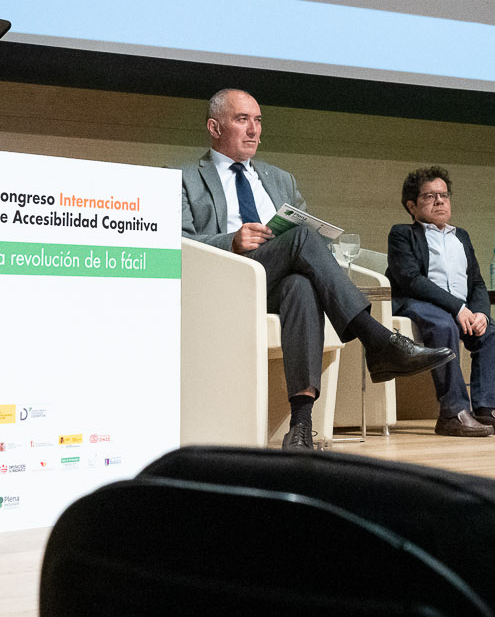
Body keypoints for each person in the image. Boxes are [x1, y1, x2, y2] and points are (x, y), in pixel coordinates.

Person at [178, 89, 448, 449]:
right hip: (226, 279)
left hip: (274, 281)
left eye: (258, 121)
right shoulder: (185, 178)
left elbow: (312, 244)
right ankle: (377, 340)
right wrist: (231, 241)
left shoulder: (280, 179)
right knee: (301, 240)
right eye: (242, 120)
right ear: (214, 127)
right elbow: (177, 243)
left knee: (300, 287)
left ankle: (301, 426)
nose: (254, 130)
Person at [385, 166, 495, 437]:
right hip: (415, 303)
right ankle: (453, 412)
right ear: (412, 206)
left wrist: (481, 312)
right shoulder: (402, 233)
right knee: (443, 325)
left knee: (492, 333)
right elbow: (411, 279)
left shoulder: (461, 236)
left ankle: (486, 409)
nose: (440, 201)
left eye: (444, 195)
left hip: (458, 308)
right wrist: (457, 308)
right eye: (430, 196)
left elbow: (476, 283)